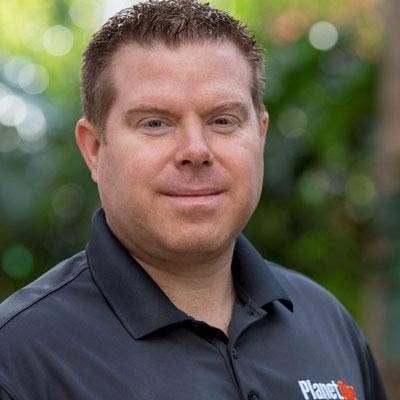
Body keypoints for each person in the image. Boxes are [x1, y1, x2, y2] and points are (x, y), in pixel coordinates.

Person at [0, 1, 388, 399]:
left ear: (260, 135)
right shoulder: (19, 360)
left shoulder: (326, 323)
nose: (196, 150)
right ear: (95, 149)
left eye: (222, 120)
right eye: (155, 123)